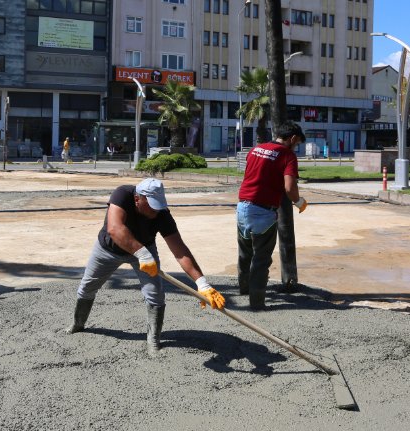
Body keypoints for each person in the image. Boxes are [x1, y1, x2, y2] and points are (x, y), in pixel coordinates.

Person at [67, 178, 226, 356]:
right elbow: (115, 228)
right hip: (109, 250)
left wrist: (202, 283)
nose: (156, 210)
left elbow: (180, 251)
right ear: (137, 199)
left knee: (155, 293)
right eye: (151, 205)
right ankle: (78, 323)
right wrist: (142, 254)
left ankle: (153, 338)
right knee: (88, 286)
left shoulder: (162, 214)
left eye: (159, 205)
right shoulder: (122, 194)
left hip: (145, 250)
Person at [236, 122, 308, 310]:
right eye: (297, 143)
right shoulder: (287, 155)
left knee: (245, 253)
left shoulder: (256, 149)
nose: (296, 147)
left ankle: (244, 289)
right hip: (263, 211)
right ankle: (257, 303)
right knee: (261, 259)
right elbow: (289, 187)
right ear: (292, 138)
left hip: (242, 207)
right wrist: (299, 202)